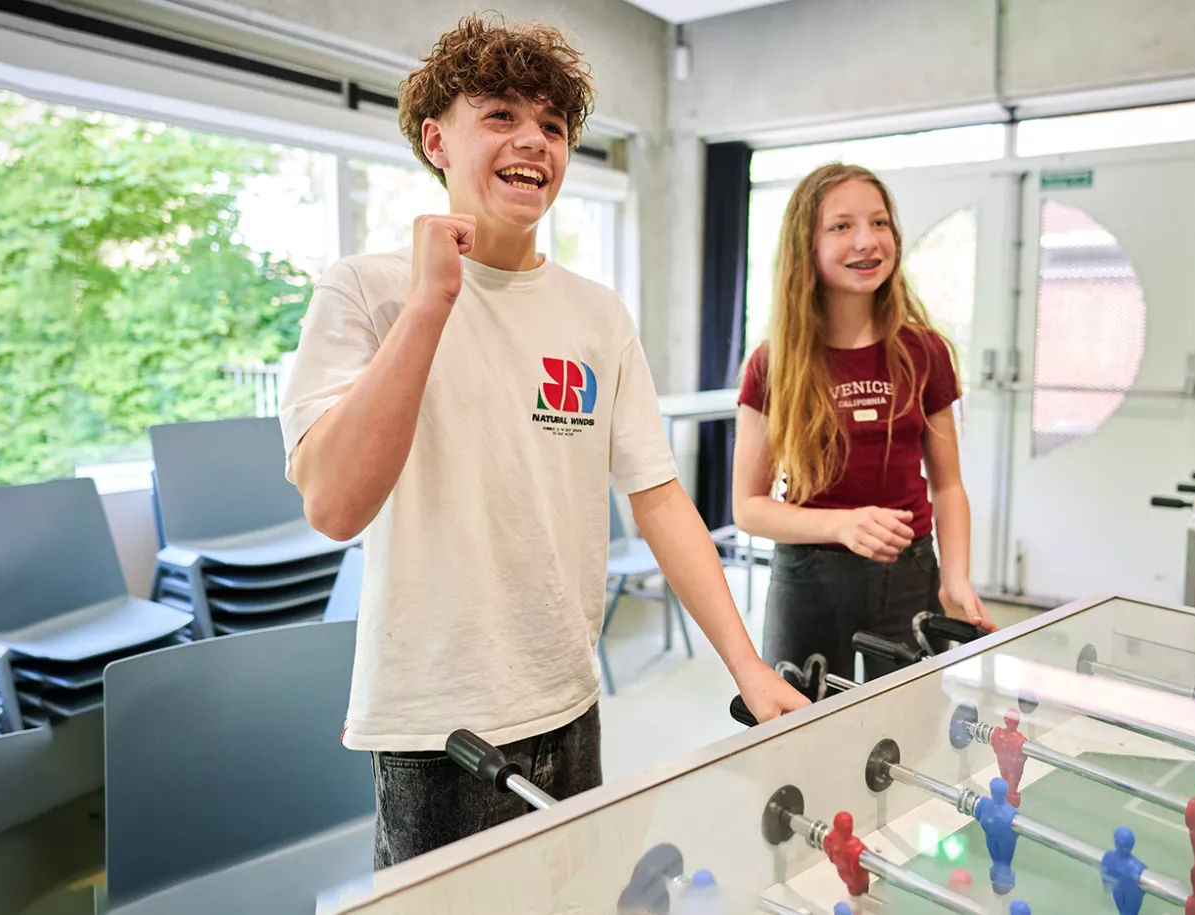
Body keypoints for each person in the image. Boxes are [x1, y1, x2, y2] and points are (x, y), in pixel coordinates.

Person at [278, 13, 807, 869]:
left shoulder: (597, 314)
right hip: (439, 728)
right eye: (501, 115)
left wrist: (745, 665)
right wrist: (431, 302)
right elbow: (334, 504)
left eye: (553, 126)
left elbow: (659, 498)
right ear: (436, 140)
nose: (534, 140)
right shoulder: (367, 291)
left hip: (570, 703)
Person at [732, 162, 996, 682]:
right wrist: (840, 525)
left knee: (908, 721)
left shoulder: (925, 352)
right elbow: (749, 508)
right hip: (808, 577)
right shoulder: (773, 363)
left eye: (879, 223)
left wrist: (956, 579)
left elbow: (948, 486)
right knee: (801, 721)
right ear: (805, 246)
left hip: (909, 574)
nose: (867, 241)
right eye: (841, 226)